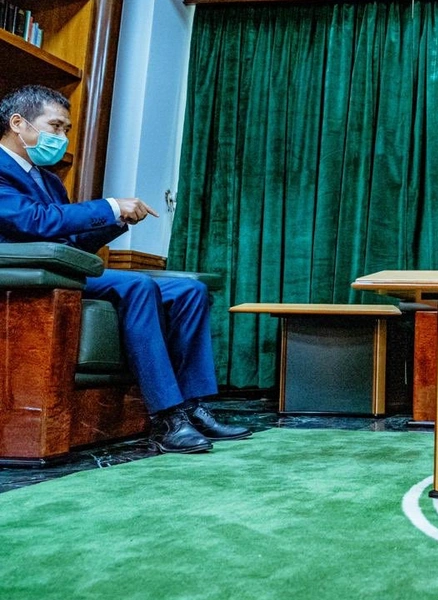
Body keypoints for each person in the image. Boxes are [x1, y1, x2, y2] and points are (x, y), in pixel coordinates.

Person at [0, 84, 250, 453]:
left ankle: (195, 406)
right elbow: (33, 221)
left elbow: (67, 243)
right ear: (18, 123)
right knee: (136, 286)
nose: (62, 137)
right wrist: (111, 206)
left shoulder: (49, 179)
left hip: (65, 269)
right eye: (55, 126)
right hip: (28, 279)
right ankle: (167, 417)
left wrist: (116, 223)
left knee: (189, 291)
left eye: (66, 129)